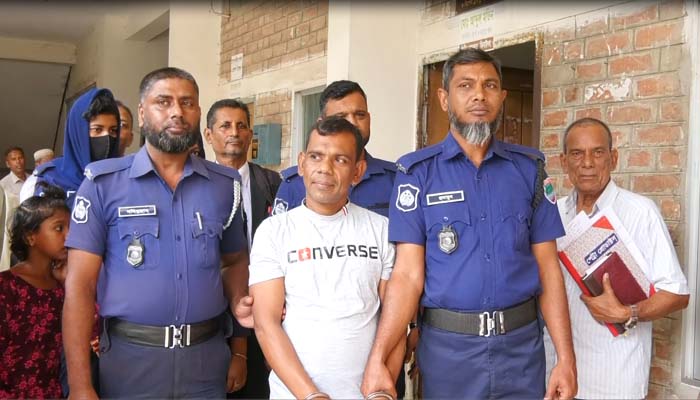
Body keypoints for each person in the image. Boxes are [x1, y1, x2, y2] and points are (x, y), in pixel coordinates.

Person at [361, 48, 577, 400]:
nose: (479, 95)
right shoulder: (417, 174)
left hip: (521, 352)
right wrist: (378, 357)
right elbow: (407, 276)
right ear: (444, 99)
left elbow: (548, 268)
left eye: (489, 85)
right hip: (449, 355)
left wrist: (566, 359)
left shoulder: (529, 170)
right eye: (465, 85)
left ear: (502, 97)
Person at [61, 67, 250, 399]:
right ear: (142, 112)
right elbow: (80, 286)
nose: (177, 111)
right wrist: (80, 385)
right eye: (163, 101)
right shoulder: (103, 185)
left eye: (187, 103)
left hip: (206, 362)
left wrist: (238, 306)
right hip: (131, 363)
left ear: (197, 112)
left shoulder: (225, 186)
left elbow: (233, 262)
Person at [250, 116, 403, 399]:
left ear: (358, 171)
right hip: (295, 395)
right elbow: (265, 323)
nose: (325, 168)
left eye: (340, 160)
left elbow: (394, 321)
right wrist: (311, 395)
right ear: (302, 163)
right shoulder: (274, 231)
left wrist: (382, 391)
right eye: (316, 156)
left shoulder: (381, 230)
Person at [544, 117, 689, 399]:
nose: (587, 163)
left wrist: (628, 313)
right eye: (577, 153)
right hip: (557, 374)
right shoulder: (553, 215)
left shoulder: (641, 212)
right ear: (563, 161)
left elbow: (677, 294)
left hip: (614, 380)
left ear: (613, 158)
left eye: (598, 152)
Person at [205, 99, 281, 398]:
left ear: (251, 134)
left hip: (264, 311)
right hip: (212, 317)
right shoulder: (195, 186)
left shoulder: (274, 184)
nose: (234, 132)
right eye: (225, 126)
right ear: (209, 134)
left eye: (241, 126)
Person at [273, 80, 396, 217]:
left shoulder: (395, 180)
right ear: (321, 124)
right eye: (341, 117)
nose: (353, 123)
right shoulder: (295, 183)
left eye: (360, 115)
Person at [0, 184, 70, 398]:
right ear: (30, 237)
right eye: (59, 228)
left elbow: (91, 335)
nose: (69, 236)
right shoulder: (7, 287)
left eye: (71, 228)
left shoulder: (61, 288)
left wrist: (68, 284)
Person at [35, 88, 121, 207]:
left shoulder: (121, 178)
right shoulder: (52, 179)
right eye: (97, 129)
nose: (107, 137)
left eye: (113, 130)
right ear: (78, 133)